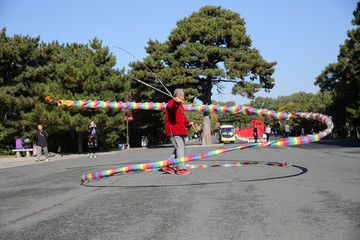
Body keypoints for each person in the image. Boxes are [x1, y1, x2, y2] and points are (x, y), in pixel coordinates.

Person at [162, 89, 193, 175]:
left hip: (180, 130)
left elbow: (183, 118)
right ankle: (181, 169)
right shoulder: (171, 103)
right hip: (174, 130)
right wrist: (176, 102)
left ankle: (167, 165)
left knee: (179, 149)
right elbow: (172, 107)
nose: (184, 97)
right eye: (183, 95)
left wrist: (188, 124)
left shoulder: (180, 105)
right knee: (180, 149)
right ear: (179, 95)